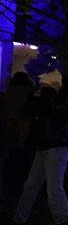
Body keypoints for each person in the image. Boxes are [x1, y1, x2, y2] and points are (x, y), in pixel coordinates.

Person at [12, 71, 68, 225]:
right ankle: (19, 218)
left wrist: (45, 92)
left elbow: (46, 110)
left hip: (55, 147)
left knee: (53, 187)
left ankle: (63, 219)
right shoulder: (46, 98)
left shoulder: (58, 100)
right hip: (44, 147)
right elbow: (28, 112)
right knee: (32, 184)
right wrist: (35, 96)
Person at [0, 71, 34, 213]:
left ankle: (7, 200)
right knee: (24, 170)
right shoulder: (30, 94)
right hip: (27, 136)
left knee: (8, 171)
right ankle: (19, 199)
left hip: (9, 135)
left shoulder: (8, 96)